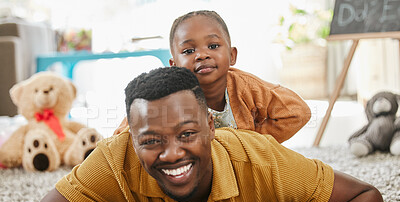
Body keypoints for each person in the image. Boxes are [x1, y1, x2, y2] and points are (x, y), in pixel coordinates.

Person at [12, 67, 391, 202]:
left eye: (187, 134)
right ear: (131, 136)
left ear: (211, 126)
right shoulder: (114, 160)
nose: (172, 152)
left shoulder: (262, 161)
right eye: (151, 140)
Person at [114, 10, 311, 144]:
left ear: (232, 55)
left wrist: (253, 142)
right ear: (173, 65)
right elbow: (121, 137)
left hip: (241, 168)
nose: (201, 55)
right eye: (189, 50)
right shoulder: (167, 96)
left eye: (213, 46)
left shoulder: (246, 87)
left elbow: (297, 112)